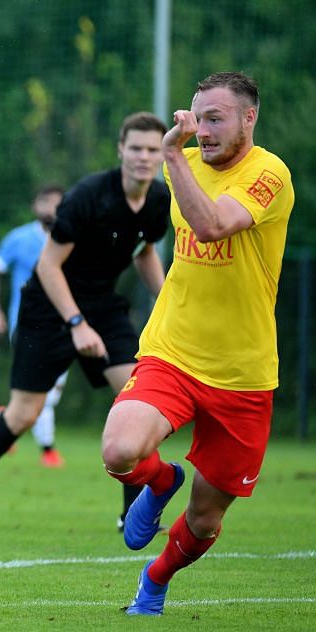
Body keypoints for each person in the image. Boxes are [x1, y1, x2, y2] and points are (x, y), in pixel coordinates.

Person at [101, 72, 294, 616]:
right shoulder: (181, 167)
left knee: (207, 519)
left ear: (248, 118)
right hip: (175, 350)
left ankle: (155, 580)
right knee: (119, 450)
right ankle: (160, 482)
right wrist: (176, 159)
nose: (203, 131)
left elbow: (210, 227)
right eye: (198, 118)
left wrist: (174, 157)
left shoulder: (269, 173)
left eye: (216, 119)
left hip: (244, 373)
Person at [0, 112, 170, 529]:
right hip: (47, 308)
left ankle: (132, 513)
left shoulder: (159, 199)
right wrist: (76, 323)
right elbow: (48, 265)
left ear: (162, 154)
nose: (144, 157)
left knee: (137, 401)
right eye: (136, 148)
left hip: (103, 307)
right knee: (22, 415)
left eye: (152, 150)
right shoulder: (88, 196)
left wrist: (168, 304)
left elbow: (143, 250)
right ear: (120, 151)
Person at [0, 184, 67, 468]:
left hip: (66, 326)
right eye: (45, 202)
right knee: (44, 389)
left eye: (57, 203)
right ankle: (48, 451)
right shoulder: (19, 239)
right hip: (27, 326)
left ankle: (4, 418)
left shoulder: (72, 239)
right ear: (36, 206)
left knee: (45, 394)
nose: (50, 208)